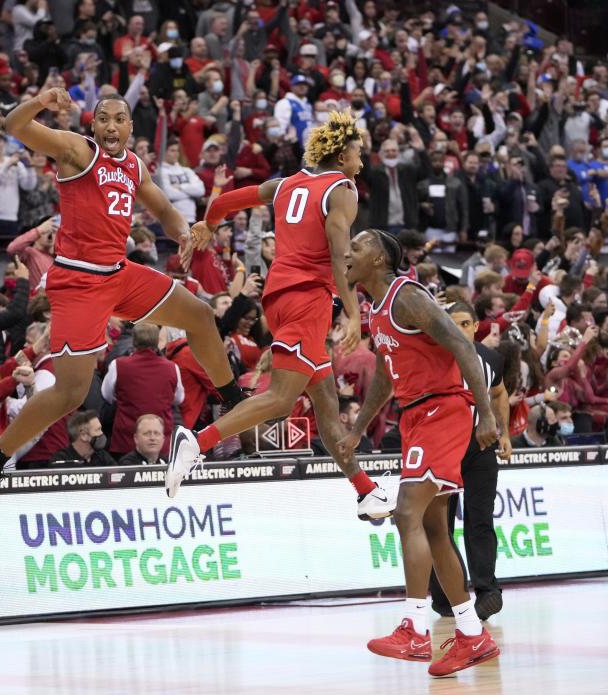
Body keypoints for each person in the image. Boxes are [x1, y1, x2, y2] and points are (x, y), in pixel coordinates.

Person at [0, 88, 243, 523]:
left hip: (118, 273)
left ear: (131, 127)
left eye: (119, 120)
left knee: (201, 315)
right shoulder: (77, 150)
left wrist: (183, 232)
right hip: (79, 282)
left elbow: (164, 208)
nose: (111, 126)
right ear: (93, 125)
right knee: (70, 392)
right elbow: (14, 126)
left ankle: (233, 402)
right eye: (104, 119)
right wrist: (40, 102)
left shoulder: (133, 165)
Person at [167, 110, 392, 520]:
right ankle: (197, 443)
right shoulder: (343, 188)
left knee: (325, 401)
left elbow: (224, 200)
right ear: (342, 156)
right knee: (280, 399)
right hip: (308, 297)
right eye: (359, 154)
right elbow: (342, 254)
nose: (362, 162)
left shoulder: (288, 183)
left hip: (279, 294)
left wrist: (208, 224)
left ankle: (365, 491)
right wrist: (356, 313)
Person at [338, 229, 500, 677]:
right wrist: (359, 427)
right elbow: (388, 379)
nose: (348, 250)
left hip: (442, 410)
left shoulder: (405, 294)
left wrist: (485, 413)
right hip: (415, 415)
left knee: (407, 512)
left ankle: (414, 627)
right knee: (432, 528)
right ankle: (471, 633)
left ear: (381, 259)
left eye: (359, 244)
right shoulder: (375, 311)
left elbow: (462, 344)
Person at [428, 301, 511, 622]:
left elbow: (500, 393)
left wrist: (504, 434)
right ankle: (446, 596)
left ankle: (488, 592)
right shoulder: (434, 357)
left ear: (476, 326)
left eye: (464, 323)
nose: (459, 329)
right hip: (442, 449)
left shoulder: (491, 358)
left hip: (480, 449)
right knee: (440, 526)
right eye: (453, 324)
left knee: (480, 522)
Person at [101, 322, 183, 456]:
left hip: (126, 438)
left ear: (134, 341)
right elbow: (179, 399)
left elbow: (107, 395)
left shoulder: (118, 365)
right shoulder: (172, 367)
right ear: (157, 341)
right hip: (160, 438)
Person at [49, 411, 116, 467]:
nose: (101, 433)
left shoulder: (102, 456)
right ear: (84, 435)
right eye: (98, 430)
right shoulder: (61, 460)